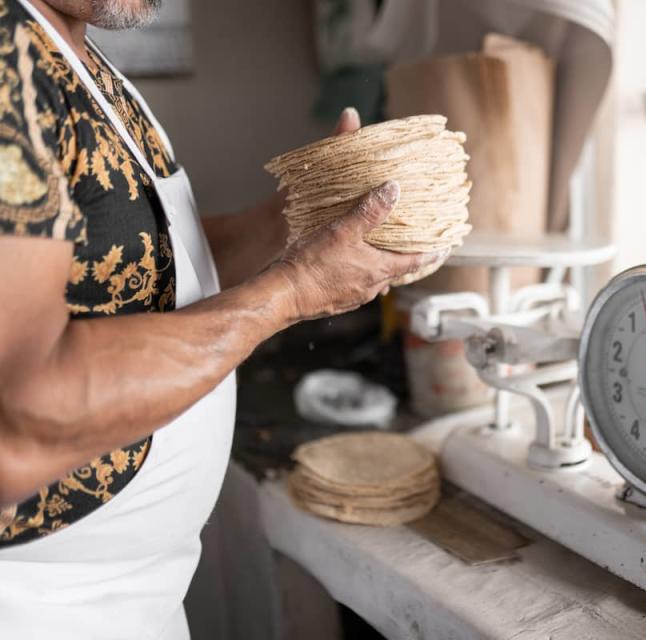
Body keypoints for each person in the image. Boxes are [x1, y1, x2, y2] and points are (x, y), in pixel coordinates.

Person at [0, 0, 446, 636]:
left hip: (129, 600)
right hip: (39, 610)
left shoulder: (82, 56)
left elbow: (139, 263)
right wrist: (297, 289)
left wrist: (297, 221)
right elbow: (14, 423)